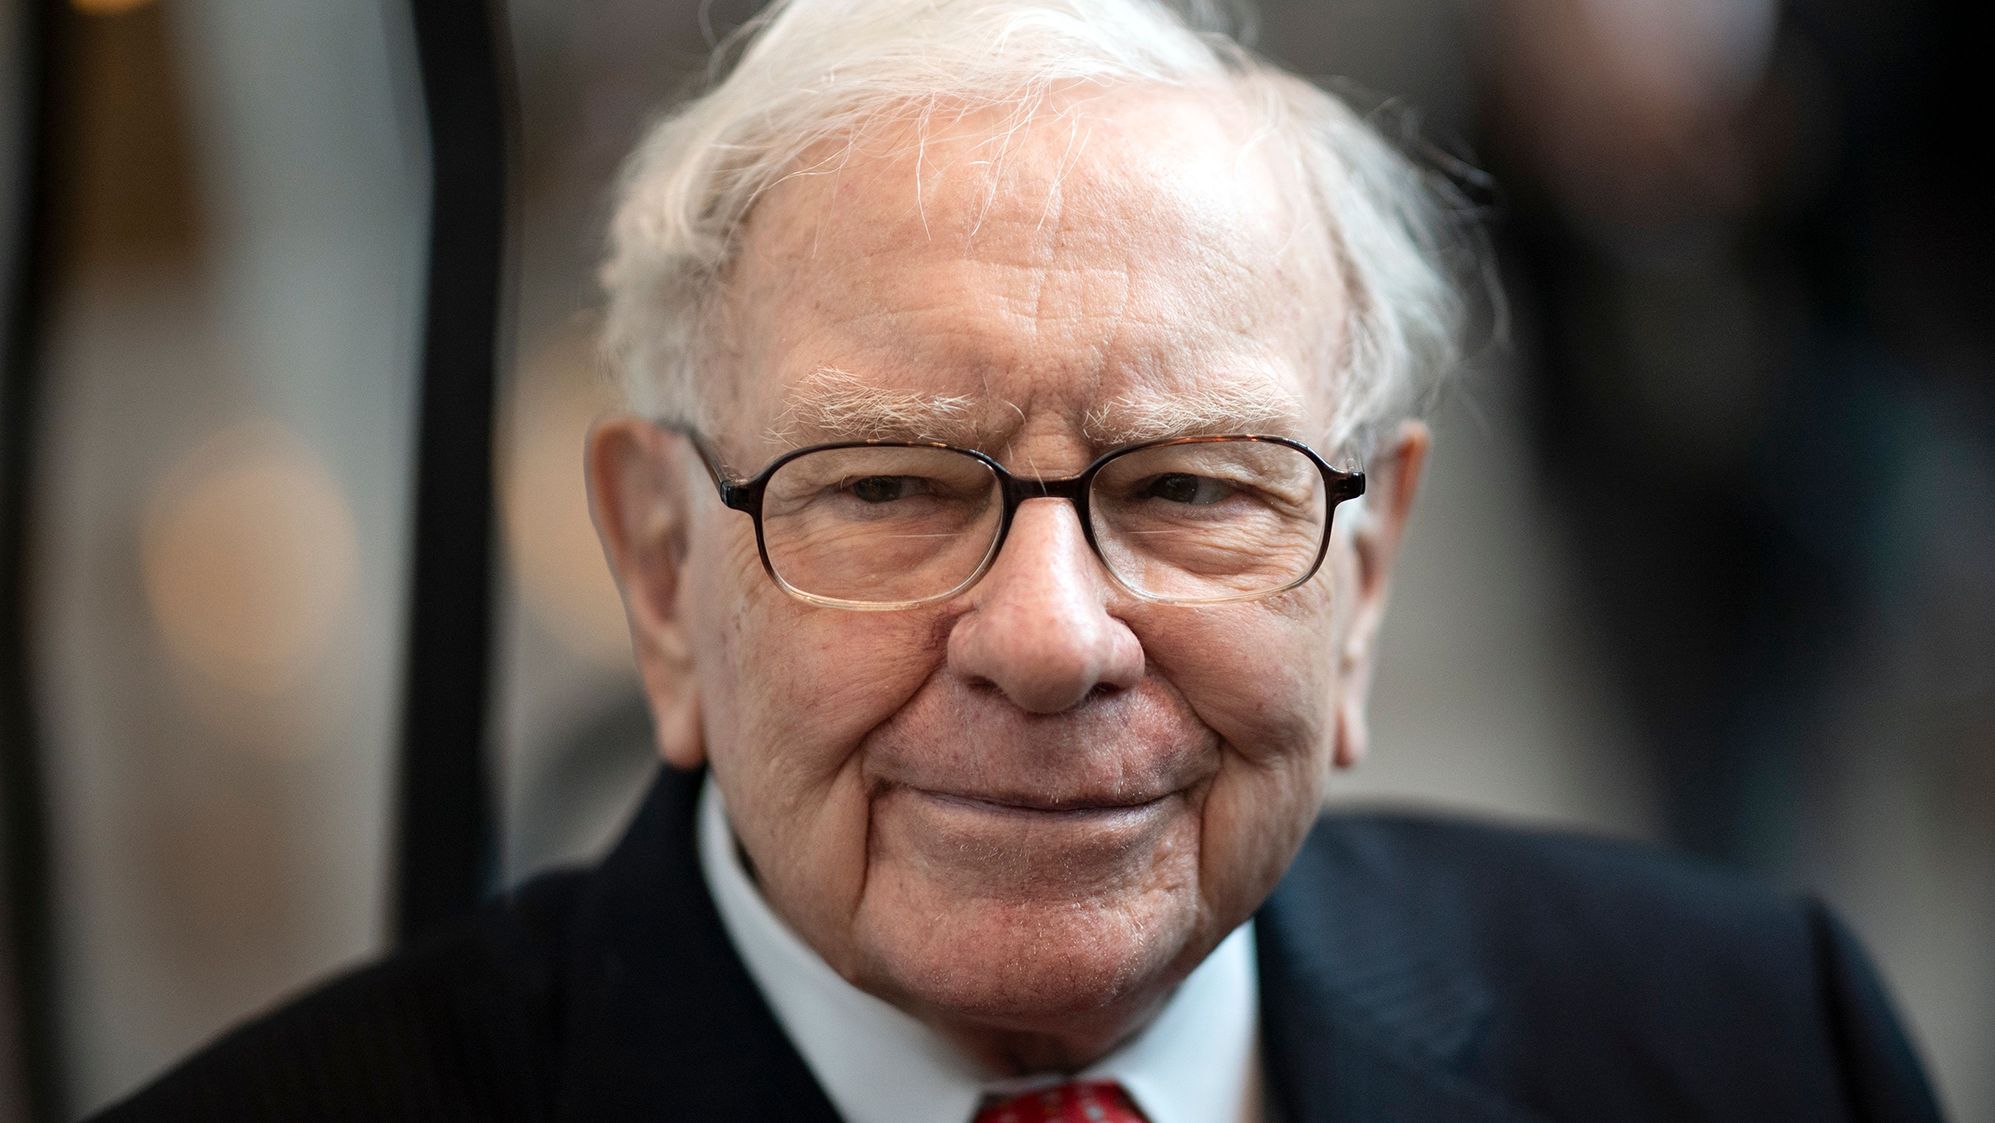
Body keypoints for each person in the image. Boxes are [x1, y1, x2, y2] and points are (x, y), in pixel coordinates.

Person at [96, 1, 1942, 1120]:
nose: (1050, 640)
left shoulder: (1748, 1047)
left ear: (1361, 589)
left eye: (1191, 490)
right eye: (887, 488)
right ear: (664, 578)